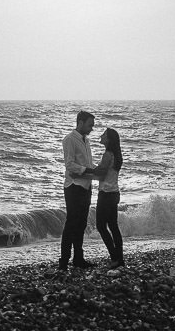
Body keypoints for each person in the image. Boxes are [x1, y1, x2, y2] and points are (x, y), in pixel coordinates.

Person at [59, 110, 99, 270]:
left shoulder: (86, 141)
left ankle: (78, 258)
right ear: (80, 122)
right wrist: (88, 170)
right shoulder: (69, 139)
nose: (91, 128)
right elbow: (69, 164)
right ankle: (64, 260)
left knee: (81, 223)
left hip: (86, 186)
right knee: (71, 223)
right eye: (90, 125)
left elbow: (87, 163)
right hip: (74, 186)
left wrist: (96, 170)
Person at [95, 127, 124, 268]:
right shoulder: (117, 155)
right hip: (115, 193)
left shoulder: (107, 155)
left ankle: (114, 258)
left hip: (106, 194)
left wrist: (83, 173)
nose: (101, 136)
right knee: (113, 226)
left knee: (101, 226)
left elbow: (101, 175)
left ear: (109, 139)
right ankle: (120, 259)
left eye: (104, 135)